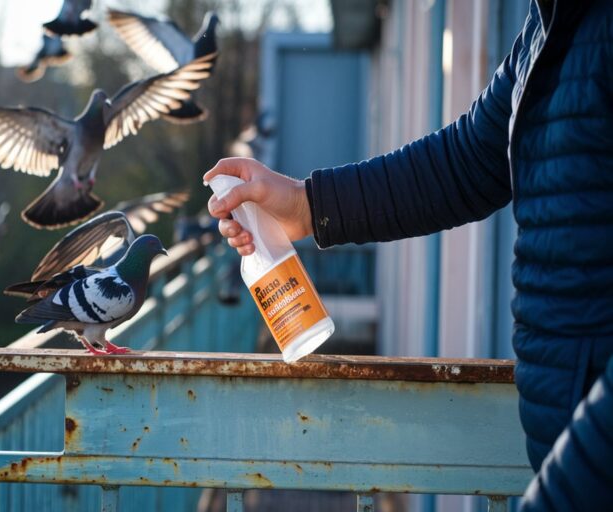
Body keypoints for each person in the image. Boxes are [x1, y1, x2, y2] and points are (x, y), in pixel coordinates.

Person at [206, 0, 612, 508]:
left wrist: (565, 491)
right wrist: (306, 206)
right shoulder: (550, 20)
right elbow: (470, 159)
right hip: (563, 445)